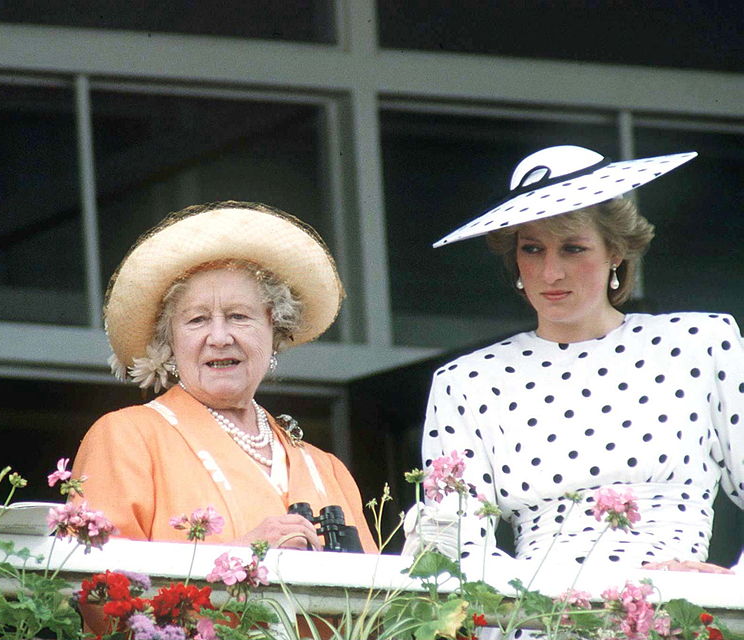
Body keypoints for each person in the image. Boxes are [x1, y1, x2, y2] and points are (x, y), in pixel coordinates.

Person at [420, 145, 743, 575]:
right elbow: (449, 543)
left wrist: (728, 590)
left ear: (615, 251)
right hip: (536, 618)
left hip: (678, 613)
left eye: (572, 249)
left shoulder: (700, 342)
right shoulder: (466, 380)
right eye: (532, 249)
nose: (551, 272)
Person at [72, 201, 377, 552]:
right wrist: (246, 556)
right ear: (169, 340)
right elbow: (102, 589)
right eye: (197, 320)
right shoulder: (128, 438)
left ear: (275, 331)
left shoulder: (327, 469)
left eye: (238, 316)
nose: (219, 337)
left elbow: (379, 602)